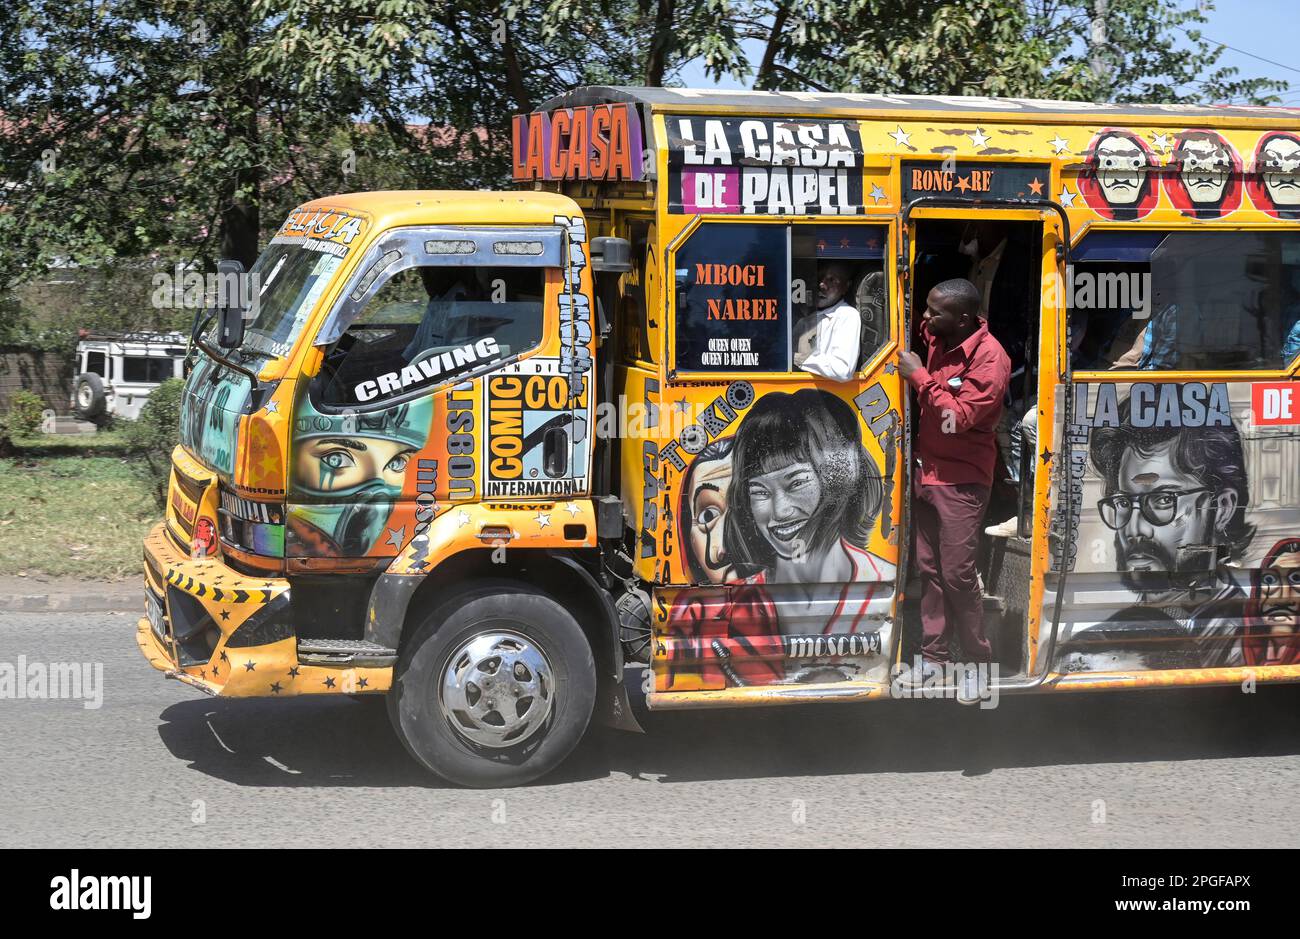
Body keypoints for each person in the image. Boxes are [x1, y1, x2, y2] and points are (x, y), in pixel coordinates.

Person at [1086, 388, 1254, 669]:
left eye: (1163, 499)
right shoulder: (1115, 631)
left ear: (1222, 508)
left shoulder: (1249, 638)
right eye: (1124, 502)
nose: (1135, 529)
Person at [898, 278, 1011, 672]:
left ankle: (979, 660)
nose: (925, 319)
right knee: (929, 571)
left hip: (961, 482)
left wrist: (919, 378)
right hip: (925, 473)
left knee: (958, 575)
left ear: (962, 318)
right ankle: (935, 658)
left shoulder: (990, 359)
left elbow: (957, 418)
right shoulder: (936, 334)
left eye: (935, 312)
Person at [792, 261, 860, 381]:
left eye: (832, 280)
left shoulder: (847, 315)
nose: (822, 285)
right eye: (818, 278)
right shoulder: (804, 322)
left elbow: (842, 370)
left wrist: (799, 359)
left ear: (846, 286)